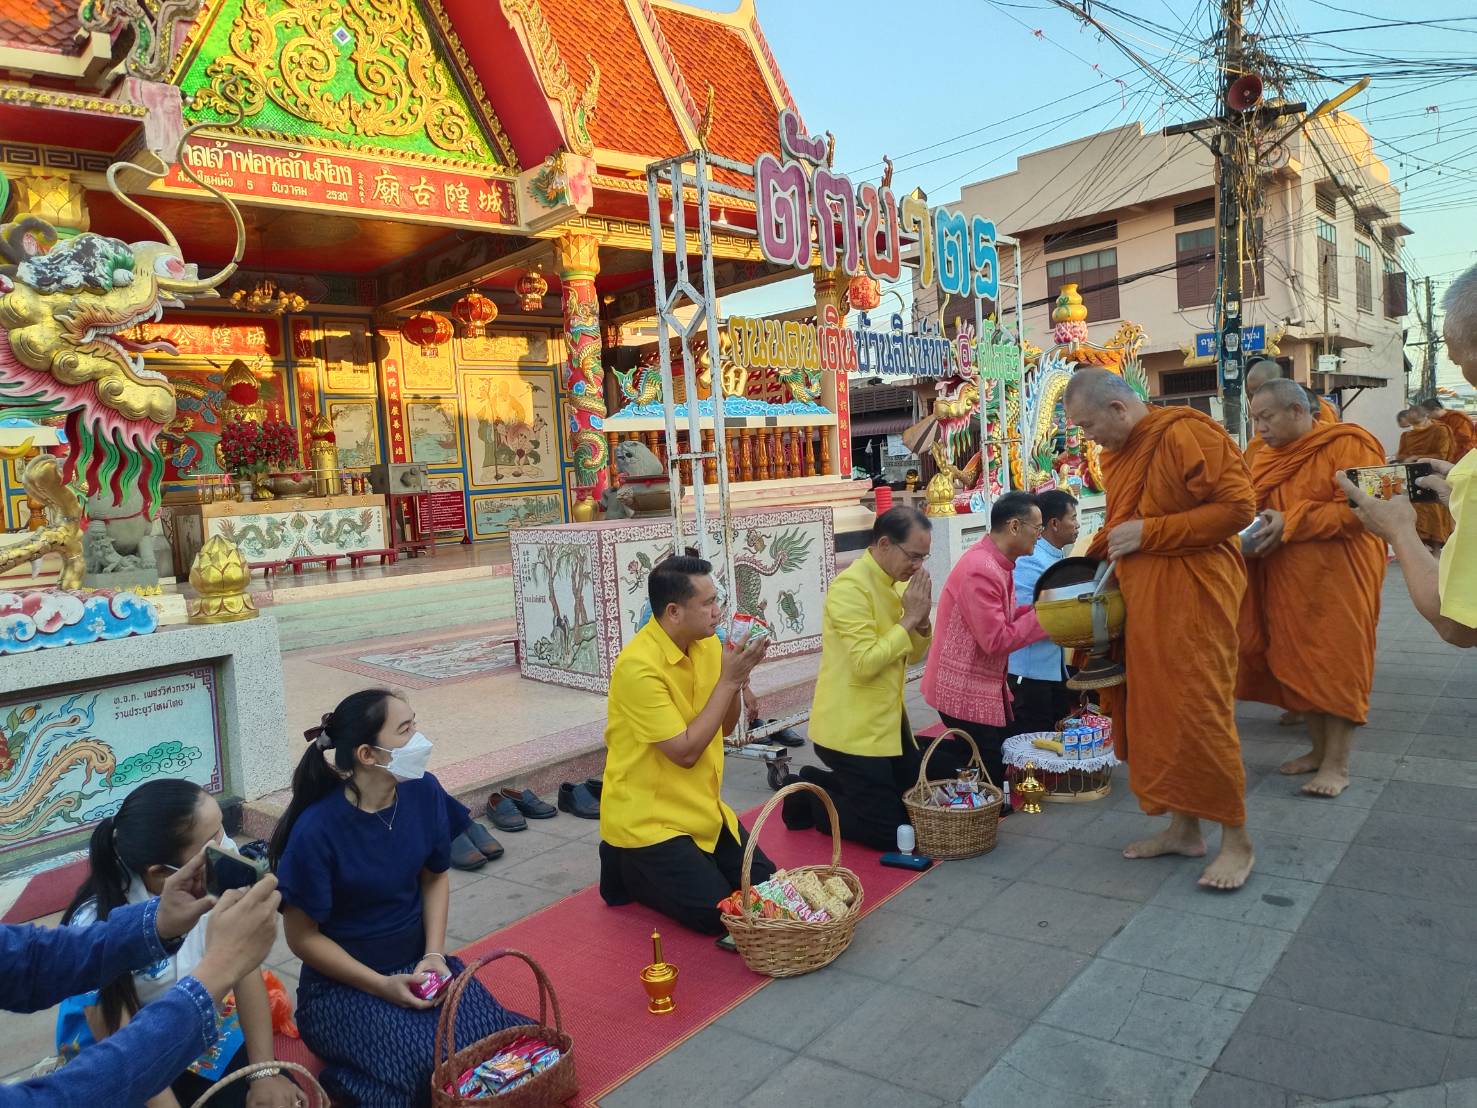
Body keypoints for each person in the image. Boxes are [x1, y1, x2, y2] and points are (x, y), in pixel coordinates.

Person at [269, 689, 526, 1106]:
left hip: (420, 967)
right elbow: (302, 937)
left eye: (414, 724)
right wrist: (381, 986)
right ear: (368, 754)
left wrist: (435, 955)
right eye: (405, 730)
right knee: (426, 1070)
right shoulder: (317, 830)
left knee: (494, 1042)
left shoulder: (424, 791)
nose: (419, 739)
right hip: (344, 989)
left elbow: (435, 878)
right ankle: (345, 1081)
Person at [1064, 368, 1256, 890]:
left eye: (1088, 426)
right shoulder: (1121, 453)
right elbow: (1126, 521)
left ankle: (1237, 840)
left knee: (1201, 713)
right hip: (1145, 605)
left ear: (1118, 409)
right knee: (1163, 716)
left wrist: (1151, 533)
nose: (1089, 438)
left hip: (1195, 601)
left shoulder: (1185, 433)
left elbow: (1239, 508)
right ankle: (1183, 829)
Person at [54, 781, 296, 1108]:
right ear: (161, 873)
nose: (228, 847)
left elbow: (244, 967)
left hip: (183, 1027)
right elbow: (125, 1054)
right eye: (213, 842)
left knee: (279, 1095)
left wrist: (264, 1073)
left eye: (222, 830)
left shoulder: (217, 871)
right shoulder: (94, 928)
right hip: (120, 1057)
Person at [1, 856, 281, 1106]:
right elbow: (98, 1082)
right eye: (209, 846)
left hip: (169, 1034)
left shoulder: (199, 889)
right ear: (159, 870)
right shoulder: (91, 916)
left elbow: (29, 958)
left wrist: (264, 1074)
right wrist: (219, 971)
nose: (225, 852)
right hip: (139, 1052)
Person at [598, 553, 773, 936]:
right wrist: (730, 681)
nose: (717, 612)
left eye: (716, 600)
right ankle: (624, 866)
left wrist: (736, 678)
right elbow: (685, 753)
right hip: (650, 820)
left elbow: (724, 728)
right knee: (717, 915)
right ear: (674, 612)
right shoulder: (638, 667)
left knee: (766, 889)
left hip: (702, 808)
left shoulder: (707, 646)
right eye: (707, 603)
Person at [1238, 379, 1387, 799]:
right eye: (1255, 419)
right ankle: (1318, 751)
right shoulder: (1263, 454)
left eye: (1267, 417)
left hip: (1340, 578)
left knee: (1337, 666)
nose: (1260, 428)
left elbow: (1374, 507)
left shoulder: (1353, 443)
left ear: (1298, 411)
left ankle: (1338, 765)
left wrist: (1293, 519)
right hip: (1285, 577)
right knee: (1298, 663)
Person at [1339, 262, 1477, 647]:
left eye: (1456, 355)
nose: (1456, 367)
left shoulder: (1453, 440)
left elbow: (1458, 625)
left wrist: (1398, 531)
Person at [786, 507, 933, 850]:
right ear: (884, 544)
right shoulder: (850, 589)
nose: (917, 566)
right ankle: (808, 796)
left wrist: (922, 620)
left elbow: (912, 655)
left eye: (923, 558)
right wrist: (909, 618)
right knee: (890, 835)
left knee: (918, 812)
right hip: (850, 729)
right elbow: (866, 663)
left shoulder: (895, 583)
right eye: (913, 556)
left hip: (888, 723)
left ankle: (825, 781)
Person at [920, 492, 1050, 793]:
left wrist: (1037, 609)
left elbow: (1003, 616)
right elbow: (996, 639)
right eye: (1037, 528)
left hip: (975, 683)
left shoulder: (997, 562)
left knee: (986, 754)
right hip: (961, 686)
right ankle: (925, 772)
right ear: (1014, 526)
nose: (1040, 535)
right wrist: (1046, 619)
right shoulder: (981, 568)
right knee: (986, 760)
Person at [1007, 488, 1082, 735]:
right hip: (1030, 671)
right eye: (1073, 518)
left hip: (1052, 666)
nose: (1077, 525)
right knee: (1034, 735)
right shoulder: (1031, 559)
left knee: (1057, 731)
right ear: (1054, 524)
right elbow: (1027, 614)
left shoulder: (1053, 556)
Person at [1242, 359, 1336, 469]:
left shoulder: (1315, 406)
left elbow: (1325, 443)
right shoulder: (1260, 452)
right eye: (1251, 394)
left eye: (1263, 390)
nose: (1257, 398)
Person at [1393, 405, 1455, 551]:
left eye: (1419, 424)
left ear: (1426, 417)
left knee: (1435, 516)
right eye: (1413, 425)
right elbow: (1401, 455)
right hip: (1412, 480)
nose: (1417, 428)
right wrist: (1403, 459)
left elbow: (1442, 455)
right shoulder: (1406, 436)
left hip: (1434, 476)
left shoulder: (1440, 431)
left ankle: (1437, 551)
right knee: (1416, 519)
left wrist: (1417, 457)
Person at [1421, 395, 1474, 461]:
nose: (1427, 417)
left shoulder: (1457, 418)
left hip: (1462, 453)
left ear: (1437, 409)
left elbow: (1465, 439)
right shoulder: (1434, 421)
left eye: (1428, 414)